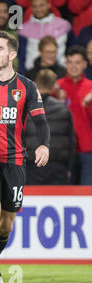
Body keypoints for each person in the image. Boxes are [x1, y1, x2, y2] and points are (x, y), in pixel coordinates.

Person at [0, 31, 50, 283]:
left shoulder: (26, 87)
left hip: (15, 161)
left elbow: (40, 120)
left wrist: (44, 144)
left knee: (6, 224)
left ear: (12, 54)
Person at [26, 69, 74, 185]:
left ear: (35, 84)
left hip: (32, 166)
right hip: (58, 167)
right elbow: (72, 142)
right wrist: (70, 168)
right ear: (53, 86)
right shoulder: (63, 109)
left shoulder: (26, 110)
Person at [56, 45, 92, 185]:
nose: (73, 66)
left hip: (87, 151)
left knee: (88, 195)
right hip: (64, 152)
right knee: (65, 194)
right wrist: (59, 103)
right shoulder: (57, 87)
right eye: (70, 62)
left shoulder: (91, 88)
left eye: (77, 62)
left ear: (84, 64)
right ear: (65, 64)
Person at [18, 0, 75, 74]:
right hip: (33, 76)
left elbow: (73, 50)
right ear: (31, 7)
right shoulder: (24, 29)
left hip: (61, 74)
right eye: (35, 6)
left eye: (41, 5)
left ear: (49, 5)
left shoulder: (64, 25)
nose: (38, 9)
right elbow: (21, 57)